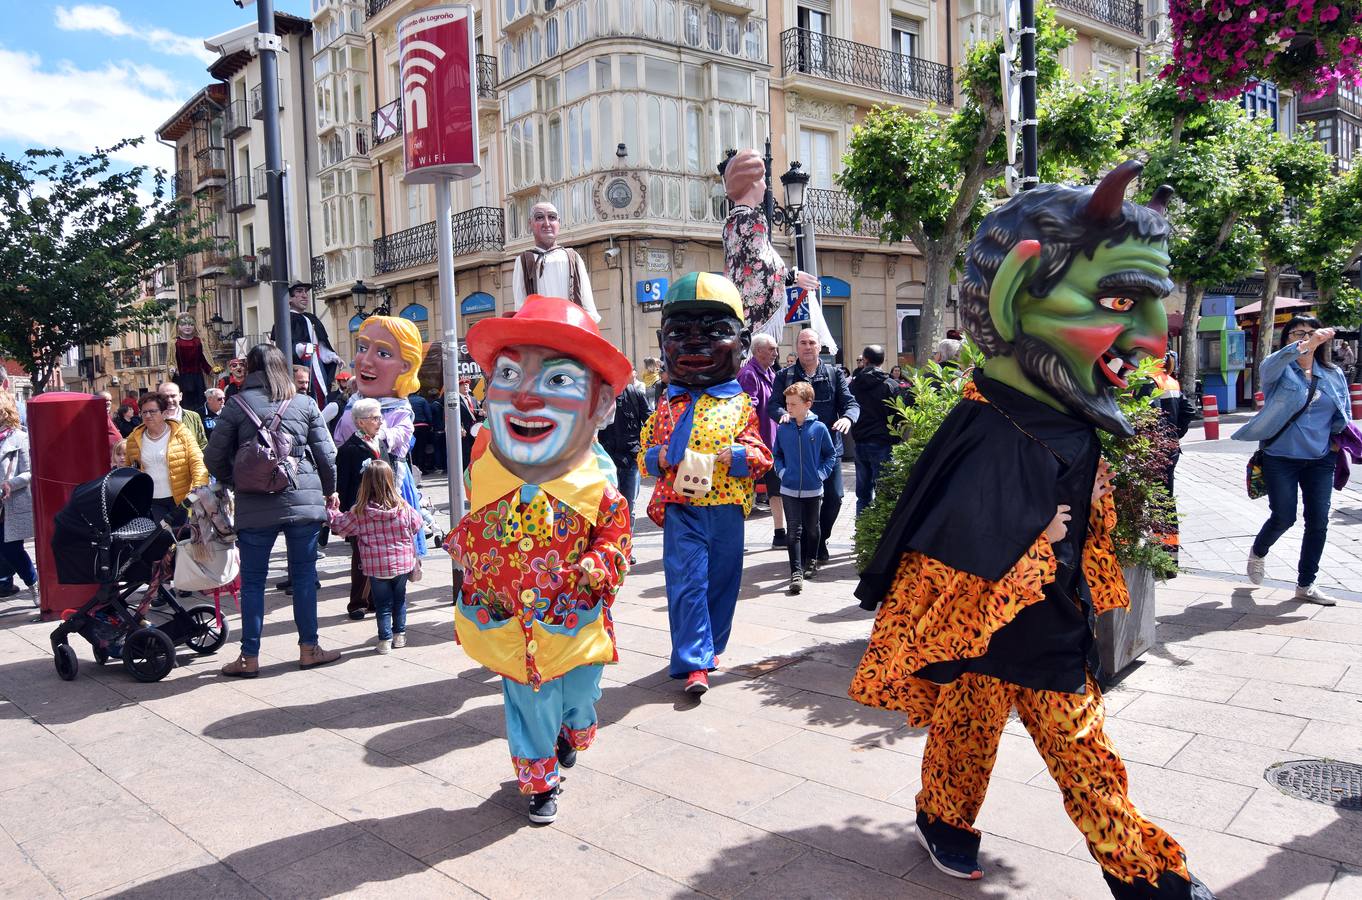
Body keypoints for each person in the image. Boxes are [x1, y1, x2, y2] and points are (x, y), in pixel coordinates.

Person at [849, 163, 1212, 899]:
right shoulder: (988, 421)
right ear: (1017, 294)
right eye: (1118, 300)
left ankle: (967, 822)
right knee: (1050, 745)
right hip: (1014, 626)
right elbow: (947, 537)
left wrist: (1087, 504)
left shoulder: (1055, 411)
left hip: (1042, 621)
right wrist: (1030, 531)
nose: (1149, 340)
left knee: (1003, 733)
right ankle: (1131, 872)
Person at [446, 294, 633, 824]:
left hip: (574, 619)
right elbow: (473, 538)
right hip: (514, 622)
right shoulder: (484, 475)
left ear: (600, 406)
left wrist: (593, 567)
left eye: (557, 379)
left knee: (580, 692)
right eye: (509, 373)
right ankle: (539, 780)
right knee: (527, 699)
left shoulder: (596, 485)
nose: (525, 395)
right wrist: (473, 579)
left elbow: (616, 539)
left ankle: (570, 730)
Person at [638, 272, 773, 695]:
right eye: (680, 332)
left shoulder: (740, 405)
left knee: (722, 583)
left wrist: (731, 456)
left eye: (716, 332)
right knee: (687, 583)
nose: (696, 344)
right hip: (683, 508)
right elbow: (645, 452)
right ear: (663, 344)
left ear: (743, 343)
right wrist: (658, 457)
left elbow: (760, 455)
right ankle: (693, 663)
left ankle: (710, 648)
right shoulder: (665, 405)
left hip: (728, 509)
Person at [206, 343, 340, 677]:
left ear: (249, 369)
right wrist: (329, 490)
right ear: (282, 367)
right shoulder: (305, 403)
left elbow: (213, 457)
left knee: (252, 582)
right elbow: (327, 454)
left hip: (254, 503)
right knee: (305, 577)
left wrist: (237, 479)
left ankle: (249, 657)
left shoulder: (235, 405)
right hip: (302, 497)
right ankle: (309, 649)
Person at [1236, 316, 1351, 606]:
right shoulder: (1279, 371)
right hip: (1281, 457)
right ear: (1286, 339)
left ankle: (1306, 584)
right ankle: (1259, 551)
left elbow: (1343, 410)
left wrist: (1337, 443)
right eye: (1297, 333)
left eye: (1311, 333)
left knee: (1318, 522)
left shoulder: (1333, 373)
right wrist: (1303, 346)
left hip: (1321, 458)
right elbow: (1267, 366)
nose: (1305, 338)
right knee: (1284, 516)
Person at [332, 316, 429, 559]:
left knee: (395, 536)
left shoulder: (400, 409)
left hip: (390, 480)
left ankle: (403, 565)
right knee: (363, 540)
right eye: (363, 348)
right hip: (358, 482)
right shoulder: (351, 405)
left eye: (383, 353)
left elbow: (402, 437)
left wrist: (375, 431)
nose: (365, 360)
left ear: (406, 366)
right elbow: (339, 442)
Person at [767, 328, 859, 562]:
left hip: (828, 451)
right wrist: (782, 415)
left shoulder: (834, 374)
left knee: (834, 497)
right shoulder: (784, 376)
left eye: (812, 343)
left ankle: (819, 539)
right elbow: (773, 404)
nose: (807, 347)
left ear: (820, 347)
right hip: (795, 452)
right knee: (800, 502)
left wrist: (847, 418)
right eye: (803, 343)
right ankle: (807, 547)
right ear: (796, 347)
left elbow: (850, 403)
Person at [327, 459, 422, 654]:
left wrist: (332, 508)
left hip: (376, 566)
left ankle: (385, 640)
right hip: (402, 564)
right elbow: (417, 524)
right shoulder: (403, 508)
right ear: (390, 480)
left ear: (365, 483)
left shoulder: (360, 512)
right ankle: (400, 635)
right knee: (399, 600)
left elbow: (338, 526)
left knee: (382, 604)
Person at [772, 382, 835, 595]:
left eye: (793, 404)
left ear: (807, 404)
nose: (788, 407)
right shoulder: (783, 428)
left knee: (812, 528)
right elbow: (777, 455)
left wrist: (820, 474)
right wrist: (782, 472)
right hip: (789, 489)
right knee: (793, 531)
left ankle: (812, 560)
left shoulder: (819, 428)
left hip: (813, 489)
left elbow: (830, 454)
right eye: (787, 403)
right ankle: (796, 573)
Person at [335, 397, 391, 620]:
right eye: (375, 418)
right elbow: (343, 483)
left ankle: (375, 601)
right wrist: (346, 513)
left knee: (380, 556)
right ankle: (358, 602)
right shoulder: (350, 449)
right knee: (361, 557)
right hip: (361, 511)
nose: (380, 422)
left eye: (379, 417)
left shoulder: (381, 443)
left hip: (383, 509)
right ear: (360, 422)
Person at [124, 394, 208, 526]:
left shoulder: (181, 433)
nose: (147, 415)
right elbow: (128, 469)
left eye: (152, 411)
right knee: (163, 540)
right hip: (152, 501)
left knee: (183, 539)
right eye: (144, 412)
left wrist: (198, 487)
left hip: (181, 500)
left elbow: (197, 461)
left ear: (164, 413)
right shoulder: (133, 438)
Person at [511, 201, 601, 322]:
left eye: (552, 217)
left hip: (570, 332)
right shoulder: (523, 261)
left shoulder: (573, 258)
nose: (546, 223)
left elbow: (588, 307)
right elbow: (520, 309)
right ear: (530, 224)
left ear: (559, 222)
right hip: (540, 335)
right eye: (539, 218)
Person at [737, 333, 787, 548]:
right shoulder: (749, 374)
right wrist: (753, 441)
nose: (776, 353)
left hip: (771, 443)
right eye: (772, 349)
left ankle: (779, 533)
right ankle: (737, 538)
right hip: (755, 445)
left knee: (776, 489)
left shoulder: (770, 373)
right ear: (758, 351)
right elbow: (748, 409)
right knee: (745, 491)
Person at [597, 369, 651, 550]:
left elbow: (650, 422)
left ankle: (625, 548)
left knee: (628, 506)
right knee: (606, 506)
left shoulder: (635, 394)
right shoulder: (599, 396)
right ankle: (608, 547)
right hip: (605, 460)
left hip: (631, 459)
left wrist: (646, 449)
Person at [848, 344, 903, 515]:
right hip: (883, 442)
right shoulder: (890, 385)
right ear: (883, 360)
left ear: (864, 360)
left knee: (863, 495)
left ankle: (862, 535)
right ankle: (881, 534)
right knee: (885, 493)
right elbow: (899, 414)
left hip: (860, 441)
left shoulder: (854, 385)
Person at [271, 281, 341, 408]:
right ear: (290, 298)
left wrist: (332, 356)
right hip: (299, 368)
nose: (305, 295)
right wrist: (300, 348)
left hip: (317, 366)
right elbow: (282, 350)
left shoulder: (312, 318)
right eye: (299, 292)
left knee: (321, 395)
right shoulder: (283, 319)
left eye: (305, 292)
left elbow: (321, 346)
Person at [0, 392, 38, 606]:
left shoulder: (20, 437)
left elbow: (30, 472)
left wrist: (9, 484)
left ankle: (33, 583)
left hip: (11, 504)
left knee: (10, 548)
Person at [168, 312, 215, 411]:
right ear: (178, 326)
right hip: (181, 378)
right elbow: (171, 360)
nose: (187, 327)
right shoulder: (174, 343)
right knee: (183, 404)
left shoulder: (199, 341)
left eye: (190, 324)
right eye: (184, 324)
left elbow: (204, 359)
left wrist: (211, 369)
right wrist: (172, 368)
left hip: (197, 378)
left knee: (199, 404)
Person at [158, 382, 208, 451]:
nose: (169, 400)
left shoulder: (193, 417)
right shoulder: (154, 419)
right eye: (165, 397)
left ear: (180, 396)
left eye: (173, 396)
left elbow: (202, 443)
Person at [409, 389, 432, 473]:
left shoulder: (407, 400)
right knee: (422, 448)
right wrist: (430, 424)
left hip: (411, 427)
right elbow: (428, 414)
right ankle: (422, 468)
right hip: (423, 426)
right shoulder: (422, 400)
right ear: (418, 392)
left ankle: (413, 468)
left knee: (413, 448)